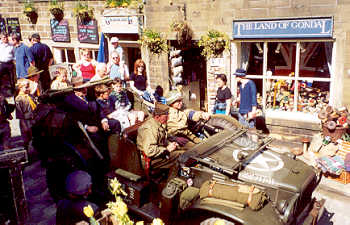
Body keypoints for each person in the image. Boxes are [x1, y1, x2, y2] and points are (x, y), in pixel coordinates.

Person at [137, 102, 179, 169]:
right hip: (150, 160)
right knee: (181, 156)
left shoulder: (157, 124)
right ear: (157, 117)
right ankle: (171, 179)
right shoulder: (149, 129)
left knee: (184, 152)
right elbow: (149, 151)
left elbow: (161, 139)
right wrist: (167, 149)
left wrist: (170, 144)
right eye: (166, 116)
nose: (168, 118)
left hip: (158, 154)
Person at [15, 78, 37, 148]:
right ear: (20, 88)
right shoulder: (19, 99)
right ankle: (28, 155)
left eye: (28, 86)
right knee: (27, 139)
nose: (28, 88)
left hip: (34, 119)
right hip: (26, 121)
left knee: (35, 137)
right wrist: (24, 125)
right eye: (26, 87)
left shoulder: (30, 96)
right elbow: (20, 115)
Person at [0, 32, 15, 96]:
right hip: (2, 63)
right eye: (4, 37)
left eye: (6, 37)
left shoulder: (11, 45)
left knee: (12, 78)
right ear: (1, 38)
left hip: (10, 63)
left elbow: (14, 54)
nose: (5, 38)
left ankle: (13, 91)